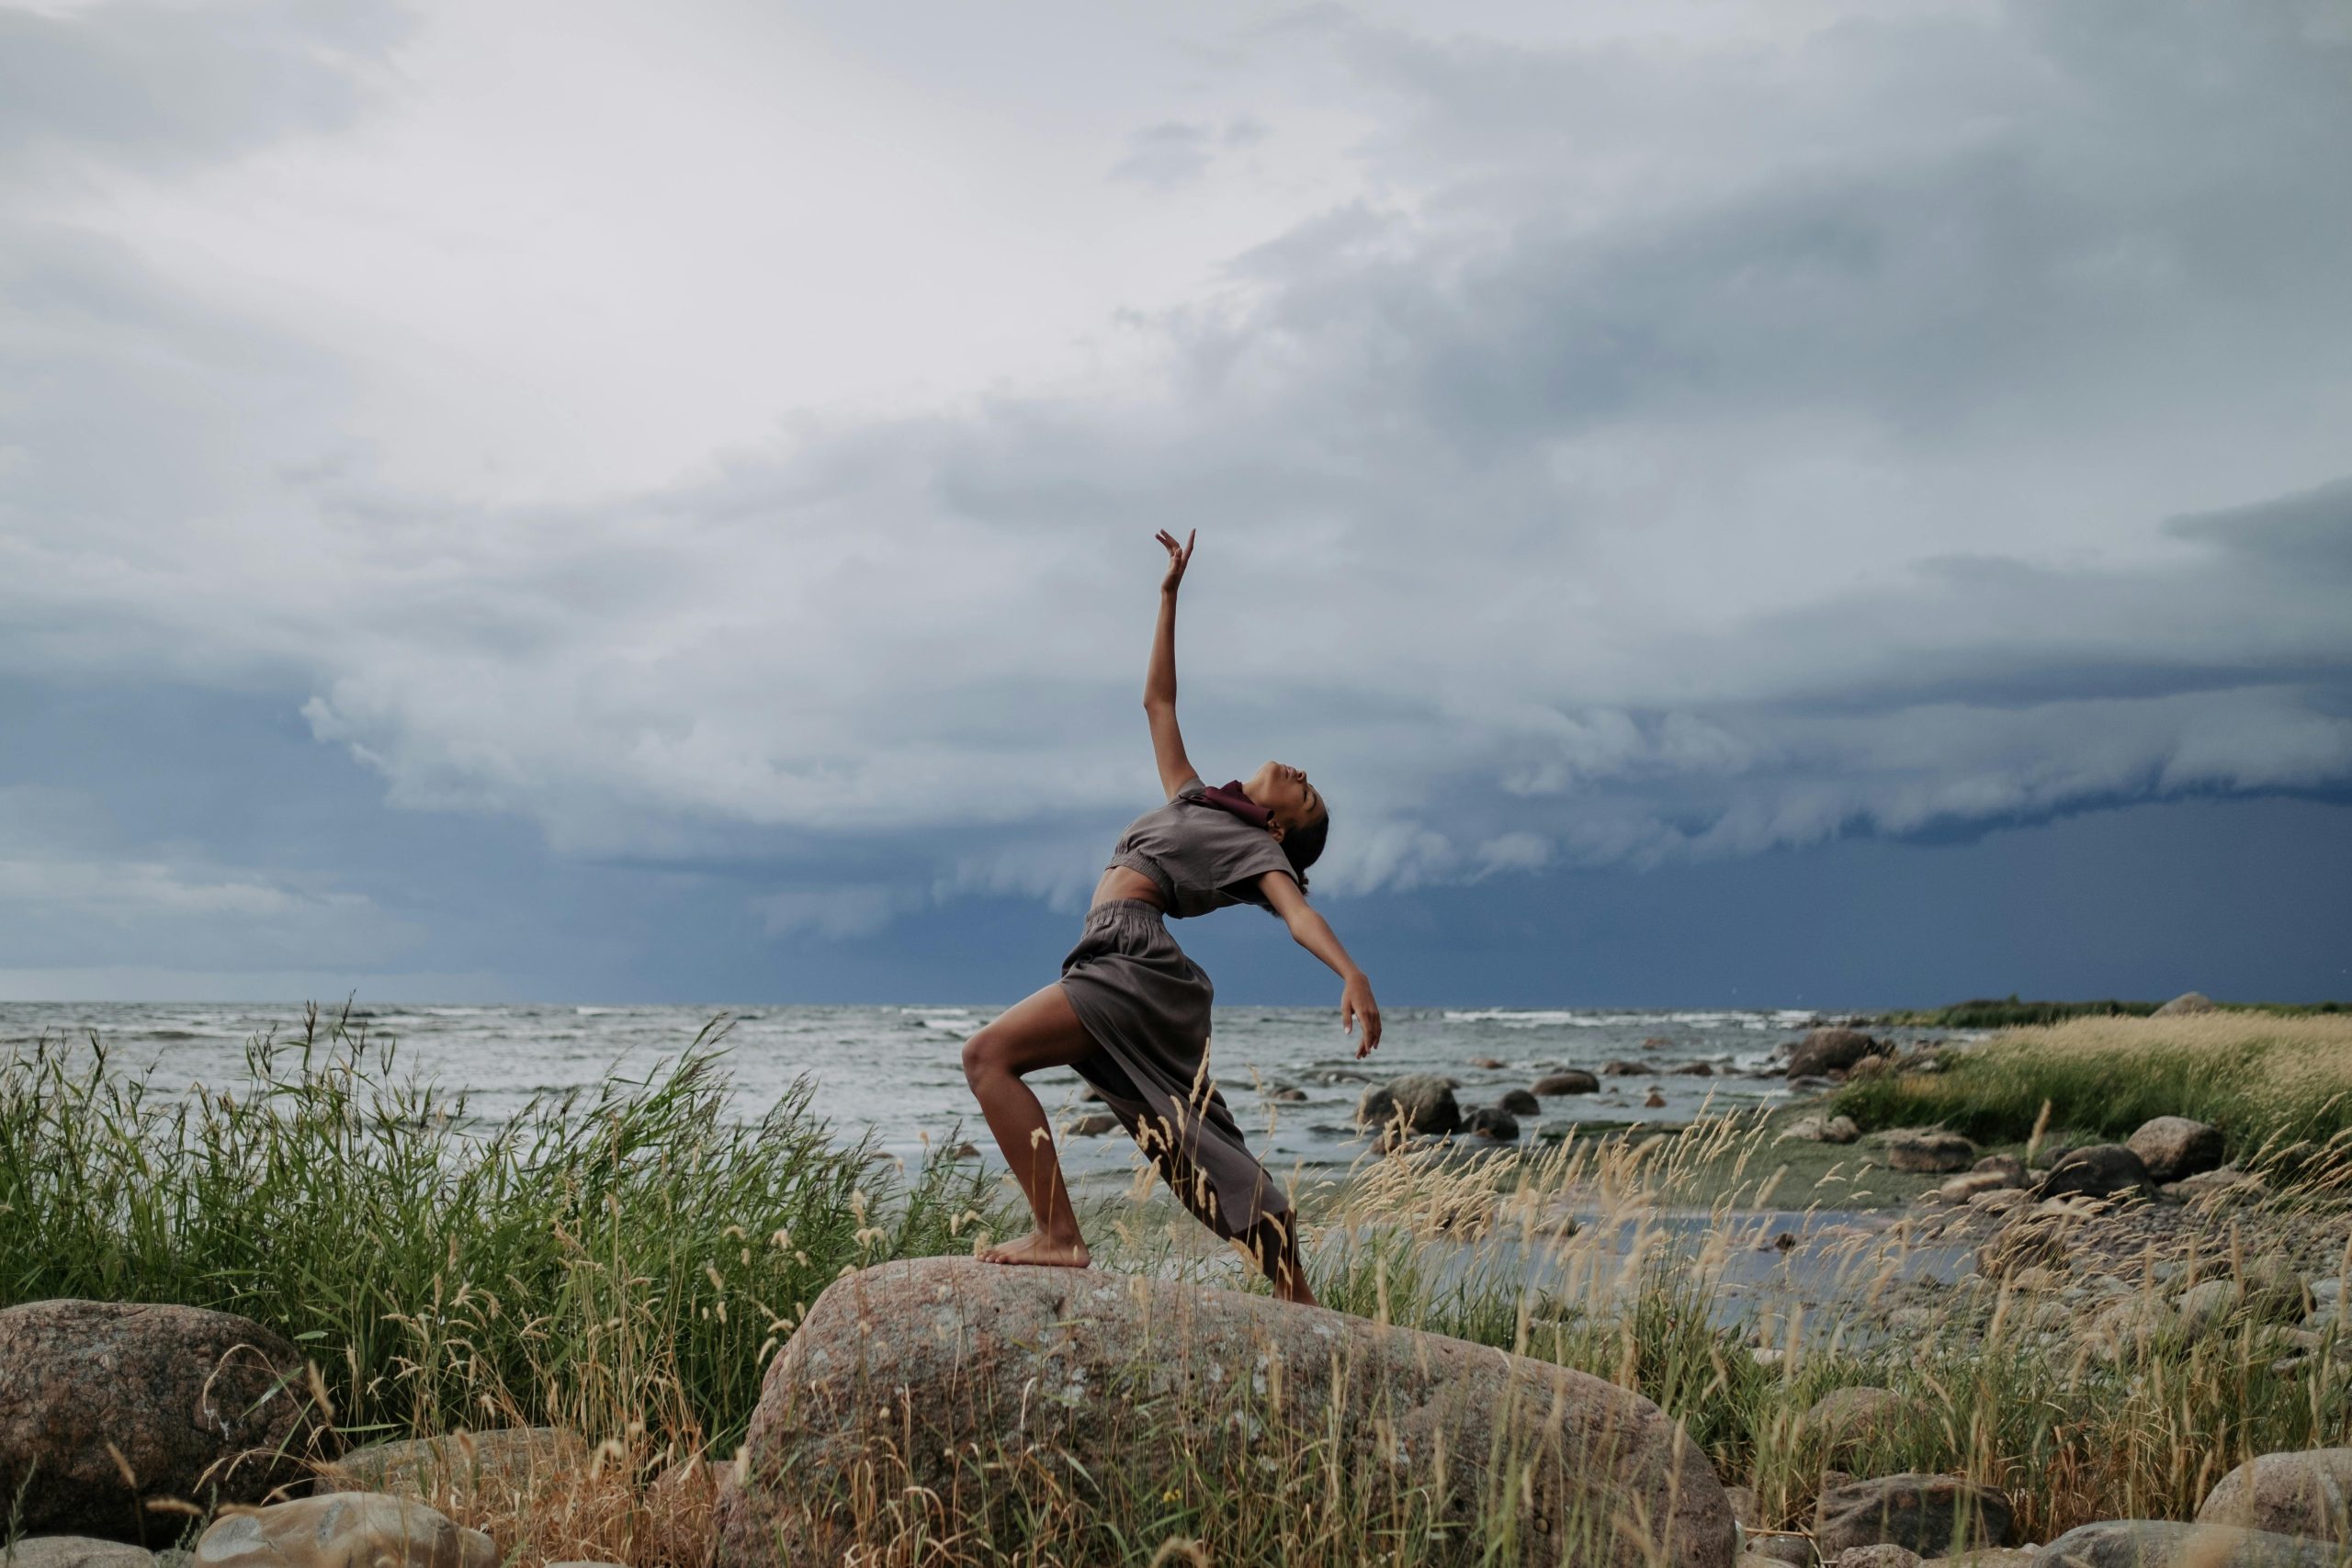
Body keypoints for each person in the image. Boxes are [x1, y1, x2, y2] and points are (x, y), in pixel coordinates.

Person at [958, 529, 1383, 1305]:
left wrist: (1349, 969)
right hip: (1116, 958)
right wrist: (1168, 596)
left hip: (1132, 960)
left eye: (1308, 793)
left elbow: (1295, 914)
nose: (1302, 774)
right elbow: (1158, 701)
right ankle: (1295, 1292)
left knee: (987, 1056)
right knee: (1194, 1145)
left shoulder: (1260, 849)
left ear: (1282, 828)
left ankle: (1059, 1236)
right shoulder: (1197, 800)